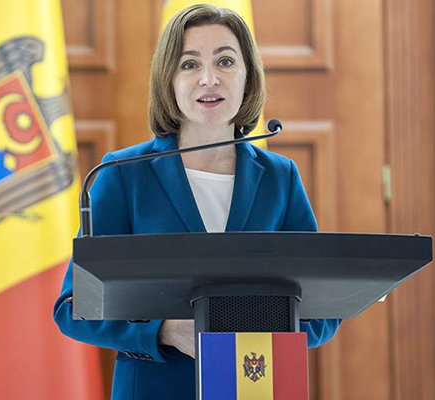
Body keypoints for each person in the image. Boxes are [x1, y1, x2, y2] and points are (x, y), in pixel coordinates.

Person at [53, 4, 341, 399]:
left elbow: (324, 306)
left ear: (248, 77)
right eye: (189, 64)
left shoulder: (281, 177)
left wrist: (267, 330)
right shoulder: (122, 174)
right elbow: (73, 308)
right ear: (168, 80)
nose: (209, 78)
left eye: (225, 61)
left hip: (255, 383)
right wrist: (163, 332)